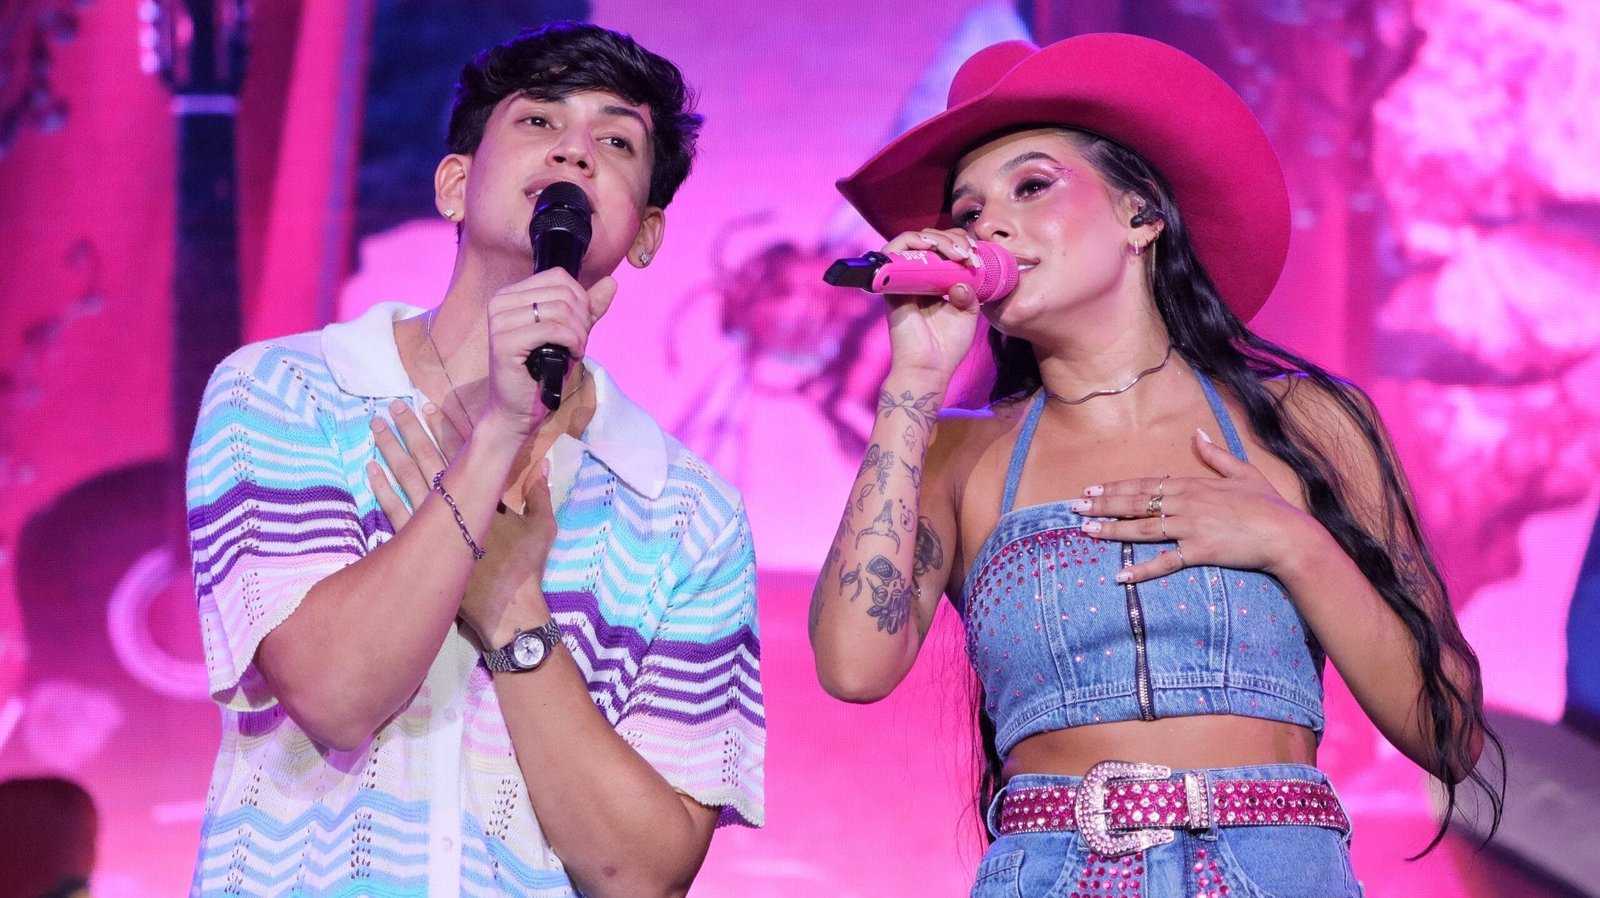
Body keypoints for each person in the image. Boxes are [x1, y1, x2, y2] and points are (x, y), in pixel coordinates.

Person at [809, 33, 1498, 897]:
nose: (987, 223)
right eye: (967, 210)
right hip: (1052, 872)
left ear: (1142, 216)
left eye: (1032, 186)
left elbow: (1451, 731)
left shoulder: (1302, 421)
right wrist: (910, 387)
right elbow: (852, 666)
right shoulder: (957, 450)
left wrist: (1292, 544)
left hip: (1278, 867)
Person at [185, 22, 763, 897]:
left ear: (645, 236)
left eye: (615, 140)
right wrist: (500, 427)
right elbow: (336, 696)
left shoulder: (688, 509)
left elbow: (643, 873)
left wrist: (513, 607)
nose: (575, 151)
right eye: (538, 123)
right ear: (454, 185)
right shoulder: (283, 392)